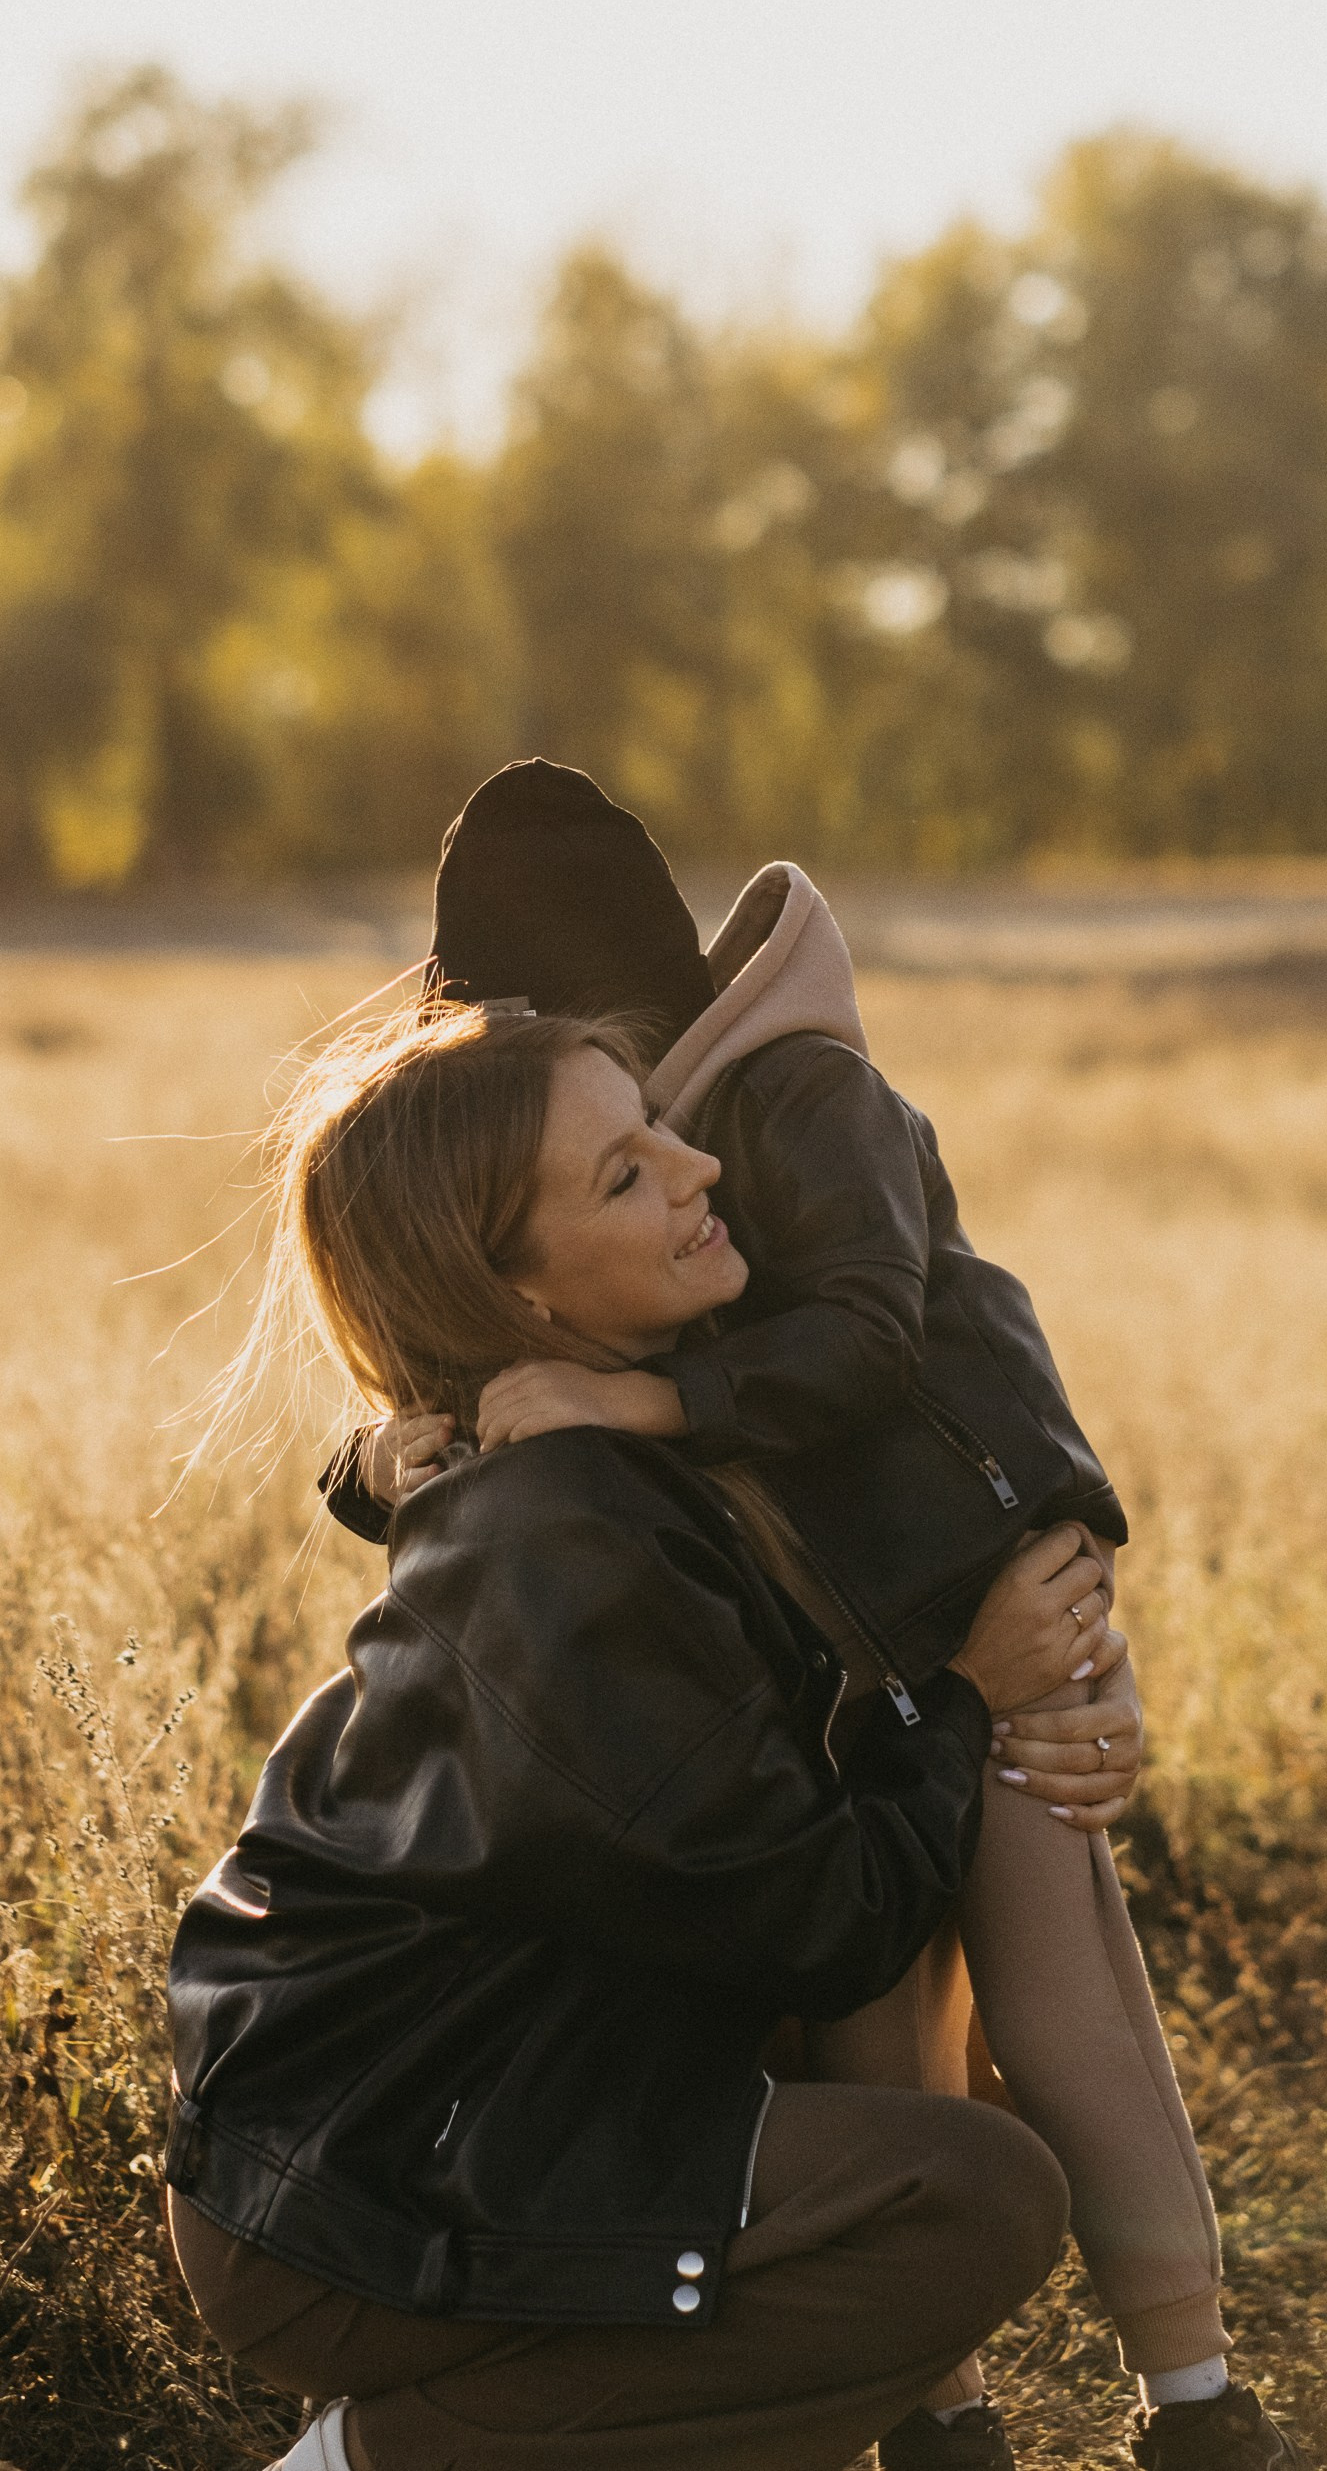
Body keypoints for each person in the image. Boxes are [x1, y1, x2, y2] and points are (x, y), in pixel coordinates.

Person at [323, 760, 1299, 2471]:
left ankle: (1197, 2393)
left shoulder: (797, 1100)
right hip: (845, 1656)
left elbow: (860, 1342)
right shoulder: (600, 1148)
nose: (662, 1163)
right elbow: (466, 1370)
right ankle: (942, 2416)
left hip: (971, 1581)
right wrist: (395, 1451)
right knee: (866, 2034)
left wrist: (646, 1414)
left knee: (1061, 1990)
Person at [166, 999, 1109, 2471]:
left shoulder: (643, 1447)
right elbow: (820, 1919)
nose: (701, 1172)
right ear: (520, 1299)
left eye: (662, 1130)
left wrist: (1055, 1693)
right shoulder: (557, 1535)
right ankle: (373, 2464)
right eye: (625, 1175)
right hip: (366, 2175)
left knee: (945, 2163)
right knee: (969, 2203)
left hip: (498, 2104)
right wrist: (968, 1693)